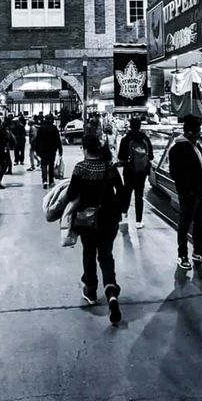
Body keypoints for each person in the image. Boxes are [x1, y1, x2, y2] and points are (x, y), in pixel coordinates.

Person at [66, 135, 128, 325]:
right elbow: (122, 190)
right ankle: (111, 293)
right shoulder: (109, 167)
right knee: (106, 255)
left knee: (89, 252)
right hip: (109, 218)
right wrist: (120, 210)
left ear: (84, 149)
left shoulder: (80, 168)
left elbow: (71, 194)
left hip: (88, 220)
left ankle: (91, 291)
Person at [168, 116, 202, 270]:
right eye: (198, 131)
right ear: (189, 132)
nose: (200, 134)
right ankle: (182, 255)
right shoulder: (177, 149)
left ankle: (198, 252)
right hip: (190, 194)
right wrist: (186, 192)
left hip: (201, 192)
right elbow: (175, 173)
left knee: (199, 223)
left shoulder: (196, 146)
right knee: (184, 224)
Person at [117, 117, 154, 228]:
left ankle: (124, 213)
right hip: (142, 172)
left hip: (129, 170)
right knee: (139, 195)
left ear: (130, 126)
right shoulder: (145, 138)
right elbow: (151, 156)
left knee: (127, 192)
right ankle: (139, 221)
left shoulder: (126, 139)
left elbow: (120, 156)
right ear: (140, 126)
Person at [34, 113, 63, 189]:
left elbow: (37, 140)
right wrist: (60, 150)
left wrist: (36, 149)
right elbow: (57, 140)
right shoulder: (54, 128)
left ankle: (44, 181)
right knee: (51, 165)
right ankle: (51, 180)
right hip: (52, 150)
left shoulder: (41, 128)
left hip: (43, 150)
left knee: (43, 164)